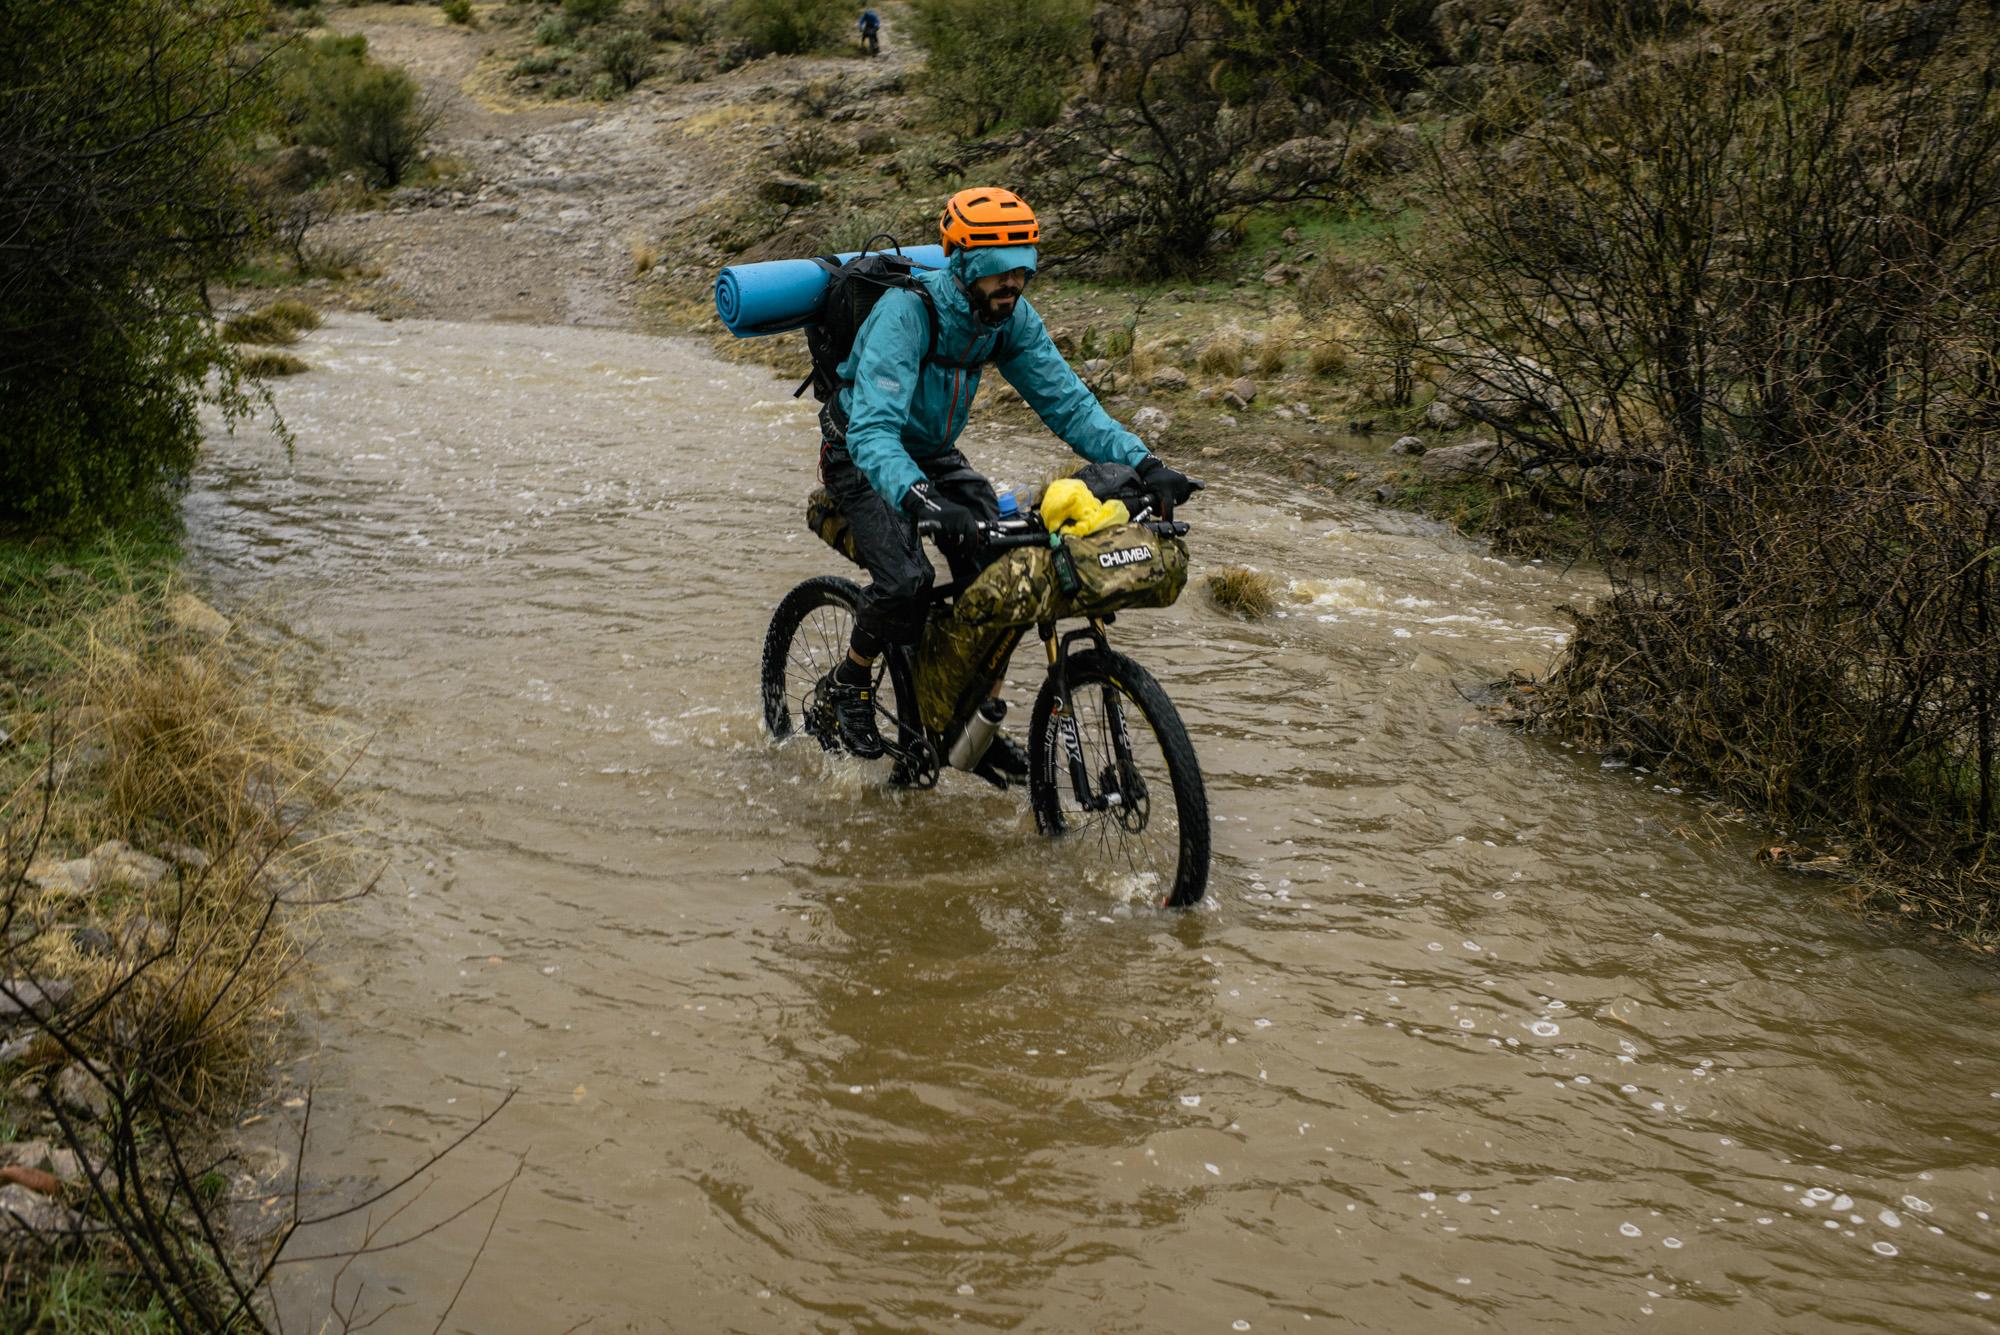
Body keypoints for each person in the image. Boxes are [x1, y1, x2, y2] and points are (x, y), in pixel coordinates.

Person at [816, 186, 1202, 770]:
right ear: (965, 263)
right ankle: (852, 677)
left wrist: (1144, 464)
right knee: (906, 582)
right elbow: (872, 433)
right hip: (861, 453)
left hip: (934, 453)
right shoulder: (907, 313)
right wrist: (918, 497)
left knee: (1003, 573)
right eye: (999, 271)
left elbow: (1068, 404)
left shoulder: (1008, 319)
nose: (1013, 284)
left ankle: (973, 719)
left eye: (1023, 270)